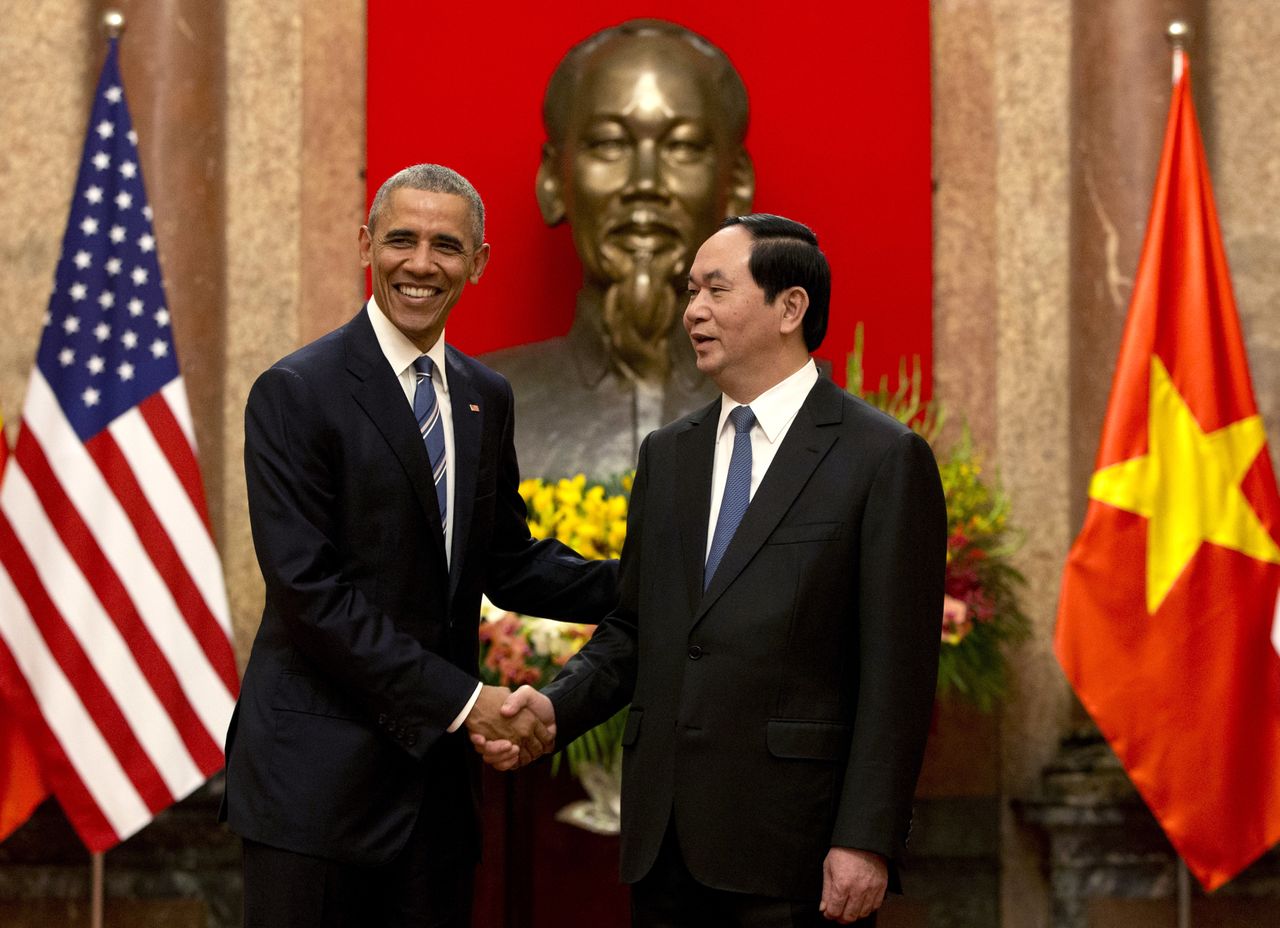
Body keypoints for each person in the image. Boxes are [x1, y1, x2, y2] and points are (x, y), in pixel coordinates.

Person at [480, 215, 946, 925]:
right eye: (690, 290)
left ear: (789, 307)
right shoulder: (669, 455)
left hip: (795, 850)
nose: (691, 310)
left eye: (715, 290)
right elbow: (637, 627)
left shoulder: (881, 458)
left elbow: (898, 676)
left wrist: (866, 840)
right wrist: (554, 706)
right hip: (664, 849)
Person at [221, 164, 618, 928]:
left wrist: (655, 577)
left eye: (446, 245)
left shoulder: (485, 395)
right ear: (367, 246)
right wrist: (469, 703)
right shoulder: (297, 391)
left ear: (478, 262)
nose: (421, 263)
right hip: (314, 794)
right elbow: (311, 595)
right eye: (401, 240)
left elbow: (507, 560)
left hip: (433, 801)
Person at [481, 19, 755, 480]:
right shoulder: (478, 411)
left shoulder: (809, 407)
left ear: (737, 185)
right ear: (552, 181)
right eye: (609, 144)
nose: (644, 184)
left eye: (683, 147)